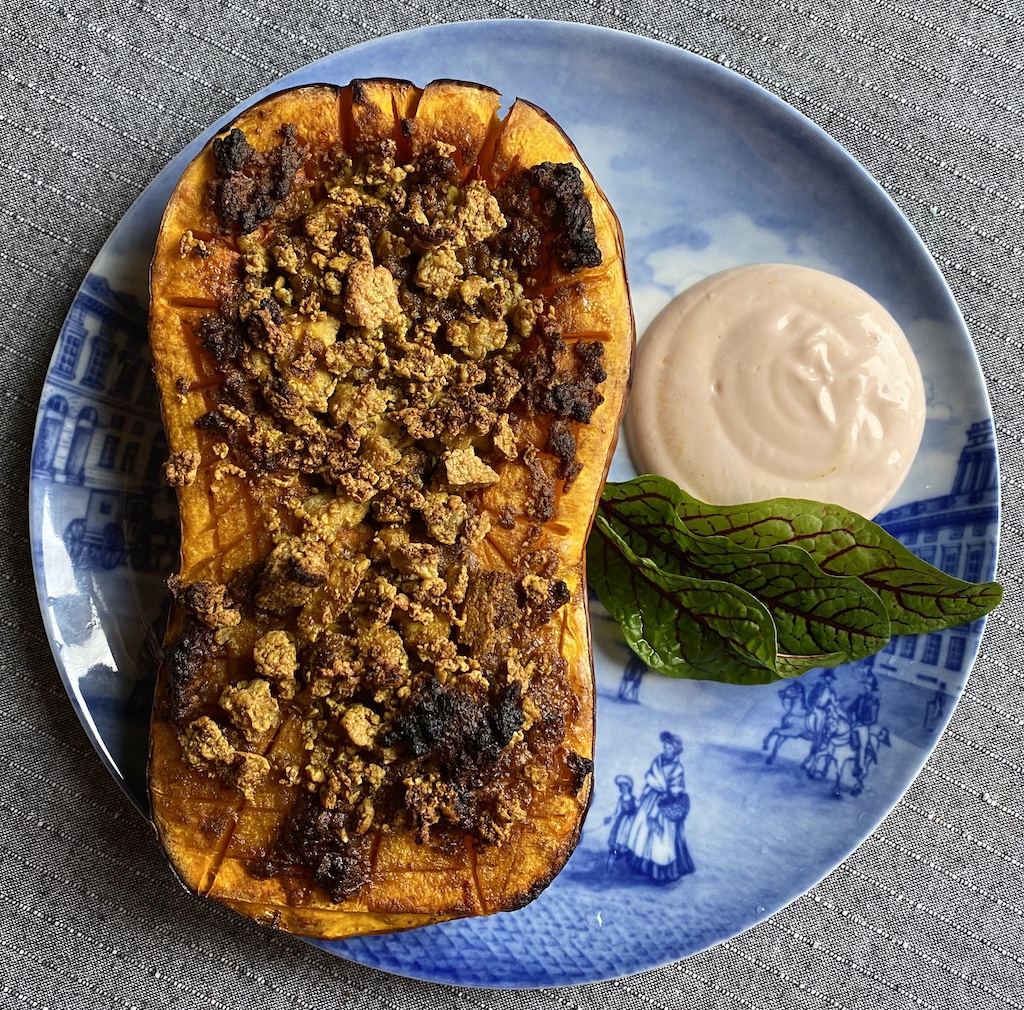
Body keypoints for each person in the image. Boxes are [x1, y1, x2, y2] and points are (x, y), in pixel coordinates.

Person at [622, 731, 695, 882]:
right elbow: (650, 777)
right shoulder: (658, 760)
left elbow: (677, 787)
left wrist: (668, 795)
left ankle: (659, 870)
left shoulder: (677, 768)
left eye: (669, 748)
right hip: (651, 798)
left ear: (675, 750)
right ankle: (640, 863)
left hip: (664, 802)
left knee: (661, 836)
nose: (666, 750)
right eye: (665, 747)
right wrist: (644, 794)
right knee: (641, 828)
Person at [604, 774, 637, 869]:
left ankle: (630, 867)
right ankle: (610, 868)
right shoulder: (621, 799)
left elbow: (639, 813)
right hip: (621, 824)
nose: (622, 788)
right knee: (617, 843)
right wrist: (610, 818)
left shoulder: (634, 799)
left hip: (631, 824)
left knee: (630, 844)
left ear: (628, 786)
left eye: (624, 785)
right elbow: (617, 812)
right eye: (621, 786)